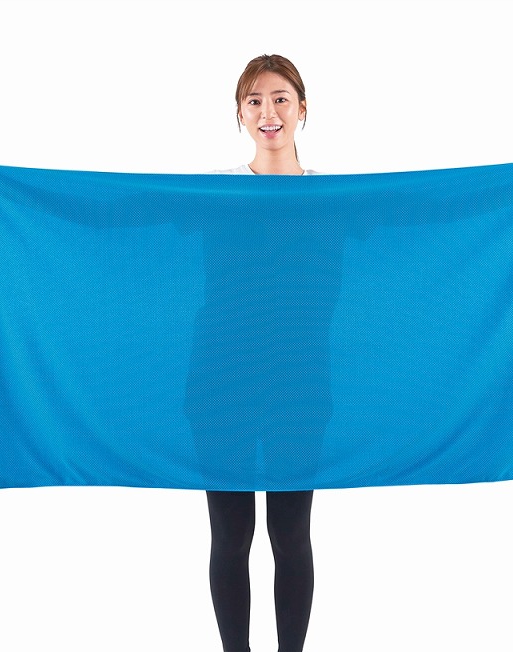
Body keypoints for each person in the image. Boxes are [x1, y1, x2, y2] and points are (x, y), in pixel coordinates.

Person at [204, 54, 316, 652]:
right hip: (221, 384)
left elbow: (419, 219)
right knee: (230, 536)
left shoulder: (336, 200)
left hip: (301, 386)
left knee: (290, 535)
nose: (268, 112)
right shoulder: (213, 196)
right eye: (254, 101)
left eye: (280, 99)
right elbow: (127, 220)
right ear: (240, 114)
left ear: (302, 109)